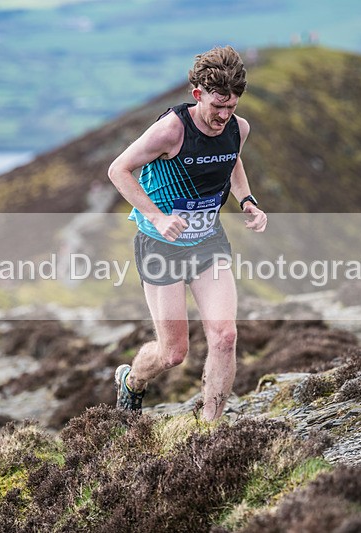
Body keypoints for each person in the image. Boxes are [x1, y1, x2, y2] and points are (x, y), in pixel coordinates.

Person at [107, 46, 267, 420]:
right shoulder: (171, 130)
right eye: (217, 107)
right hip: (161, 244)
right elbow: (118, 170)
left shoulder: (237, 128)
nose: (223, 117)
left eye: (232, 108)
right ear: (198, 95)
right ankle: (131, 381)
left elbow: (232, 160)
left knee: (225, 337)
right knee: (172, 354)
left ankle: (210, 431)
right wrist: (157, 216)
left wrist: (247, 201)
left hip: (208, 241)